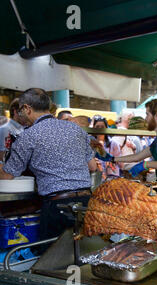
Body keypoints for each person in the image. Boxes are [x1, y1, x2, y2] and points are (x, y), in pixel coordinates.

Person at [0, 88, 97, 241]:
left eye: (20, 110)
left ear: (27, 108)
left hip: (57, 206)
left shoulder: (28, 136)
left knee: (52, 259)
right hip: (86, 202)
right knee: (83, 254)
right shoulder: (75, 129)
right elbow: (93, 167)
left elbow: (7, 175)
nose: (19, 115)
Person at [96, 99, 157, 194]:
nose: (145, 119)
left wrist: (145, 165)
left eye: (147, 114)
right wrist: (112, 158)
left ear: (156, 116)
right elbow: (137, 156)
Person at [91, 115, 122, 180]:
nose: (100, 129)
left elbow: (121, 164)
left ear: (106, 128)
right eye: (97, 127)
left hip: (111, 179)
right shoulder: (90, 143)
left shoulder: (113, 143)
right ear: (93, 128)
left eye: (102, 127)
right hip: (95, 179)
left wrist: (112, 161)